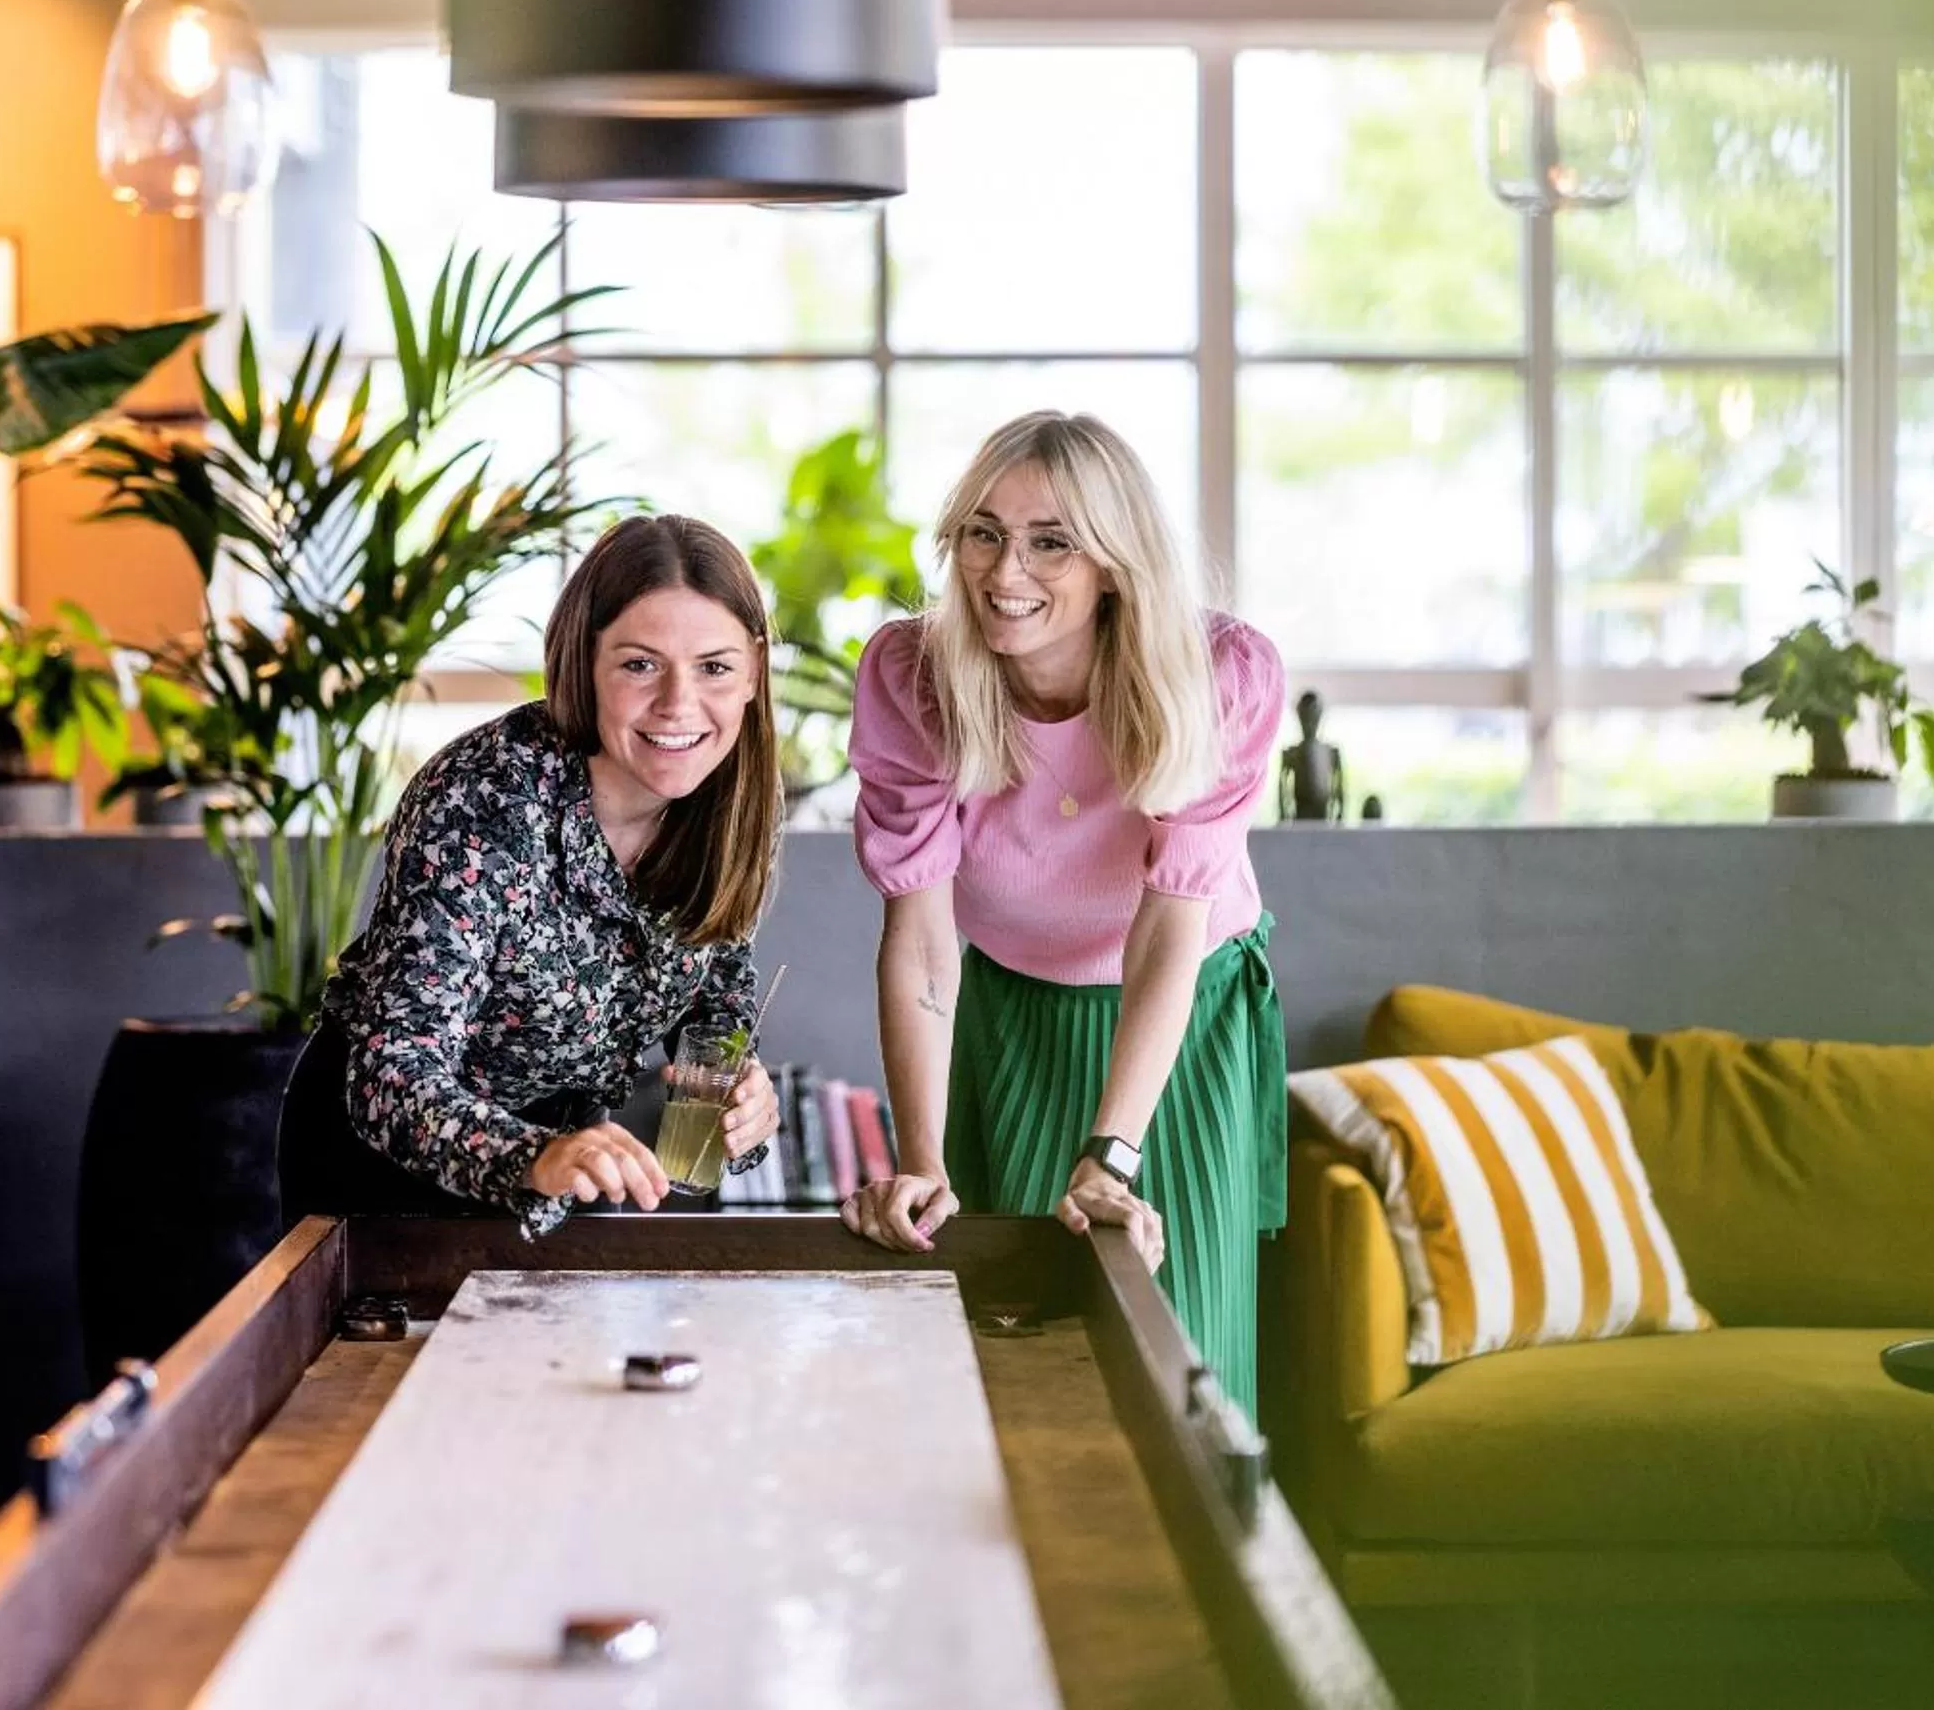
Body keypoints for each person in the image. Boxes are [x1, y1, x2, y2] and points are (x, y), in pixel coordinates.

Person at [839, 410, 1287, 1413]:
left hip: (1184, 1015)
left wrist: (1108, 1154)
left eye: (1051, 542)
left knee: (1177, 1358)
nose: (1005, 572)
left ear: (1114, 564)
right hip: (1009, 1012)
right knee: (1016, 1356)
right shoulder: (913, 678)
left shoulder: (1220, 675)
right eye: (984, 533)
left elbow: (1169, 926)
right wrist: (919, 1160)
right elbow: (920, 942)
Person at [279, 514, 784, 1238]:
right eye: (639, 665)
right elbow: (393, 1075)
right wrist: (533, 1156)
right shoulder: (483, 795)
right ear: (583, 662)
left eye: (714, 667)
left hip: (568, 1161)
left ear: (754, 670)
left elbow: (716, 1001)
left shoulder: (730, 800)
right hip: (383, 1172)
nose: (679, 704)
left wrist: (743, 1093)